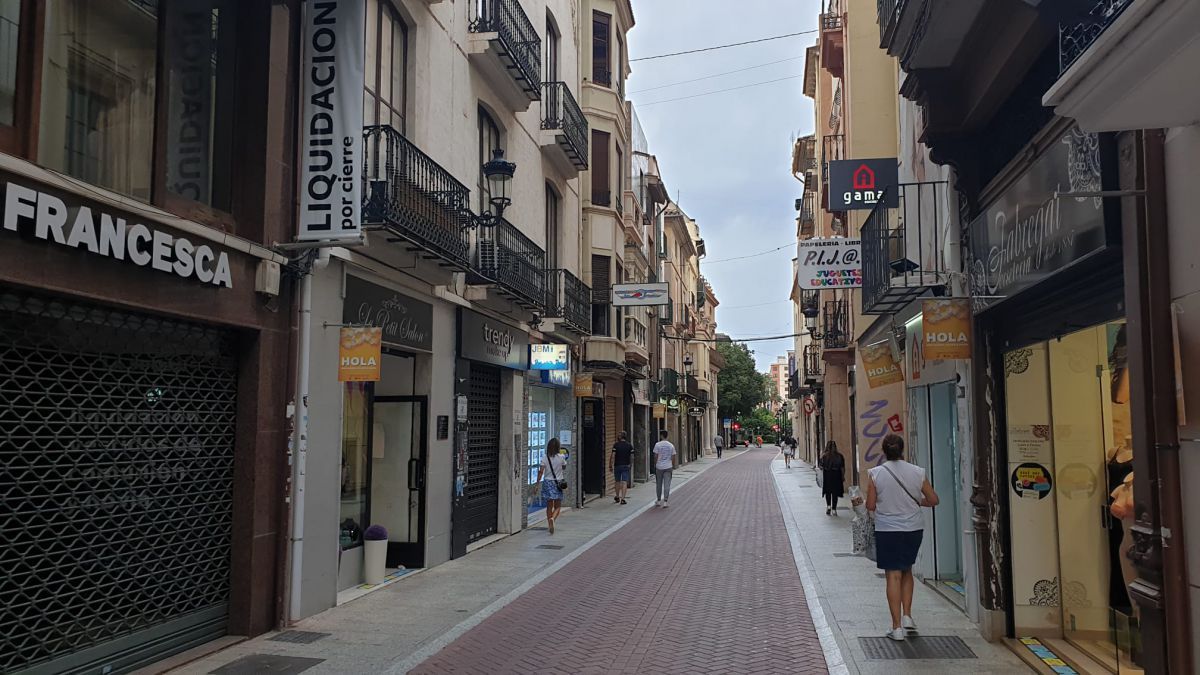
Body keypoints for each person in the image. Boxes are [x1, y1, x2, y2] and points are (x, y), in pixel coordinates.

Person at [863, 434, 939, 642]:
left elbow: (870, 506)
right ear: (903, 450)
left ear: (884, 451)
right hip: (913, 529)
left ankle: (896, 627)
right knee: (907, 570)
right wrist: (916, 503)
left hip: (887, 529)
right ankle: (907, 616)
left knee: (892, 575)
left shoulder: (876, 474)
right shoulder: (917, 472)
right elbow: (933, 499)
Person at [535, 438, 568, 534]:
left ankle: (549, 522)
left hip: (547, 482)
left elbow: (541, 471)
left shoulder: (545, 457)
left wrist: (537, 484)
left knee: (549, 505)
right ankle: (552, 519)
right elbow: (564, 467)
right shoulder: (561, 457)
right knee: (558, 506)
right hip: (558, 483)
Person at [819, 441, 846, 515]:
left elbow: (820, 466)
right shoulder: (840, 456)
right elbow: (842, 467)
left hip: (827, 476)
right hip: (836, 476)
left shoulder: (824, 456)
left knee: (828, 492)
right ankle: (834, 509)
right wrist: (843, 476)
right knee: (835, 493)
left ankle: (828, 506)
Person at [653, 430, 676, 507]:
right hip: (668, 466)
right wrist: (672, 465)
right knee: (667, 484)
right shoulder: (671, 445)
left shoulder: (657, 445)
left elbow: (655, 456)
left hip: (659, 467)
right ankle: (665, 501)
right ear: (667, 436)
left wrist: (655, 464)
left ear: (661, 436)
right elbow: (673, 457)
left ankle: (659, 500)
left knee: (658, 484)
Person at [611, 431, 634, 505]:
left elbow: (613, 455)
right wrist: (631, 464)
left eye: (619, 435)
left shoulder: (616, 445)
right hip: (626, 465)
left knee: (617, 481)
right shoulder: (629, 445)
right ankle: (623, 499)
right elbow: (632, 456)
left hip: (617, 465)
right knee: (624, 482)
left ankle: (617, 496)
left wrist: (611, 464)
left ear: (620, 437)